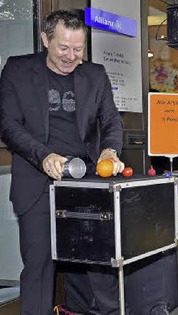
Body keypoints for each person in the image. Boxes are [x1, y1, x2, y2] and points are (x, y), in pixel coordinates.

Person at [0, 9, 124, 314]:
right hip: (37, 180)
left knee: (98, 265)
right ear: (45, 39)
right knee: (39, 266)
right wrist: (42, 156)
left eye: (78, 49)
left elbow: (111, 122)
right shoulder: (17, 70)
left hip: (85, 182)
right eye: (63, 48)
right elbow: (8, 124)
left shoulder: (95, 75)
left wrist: (109, 150)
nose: (71, 56)